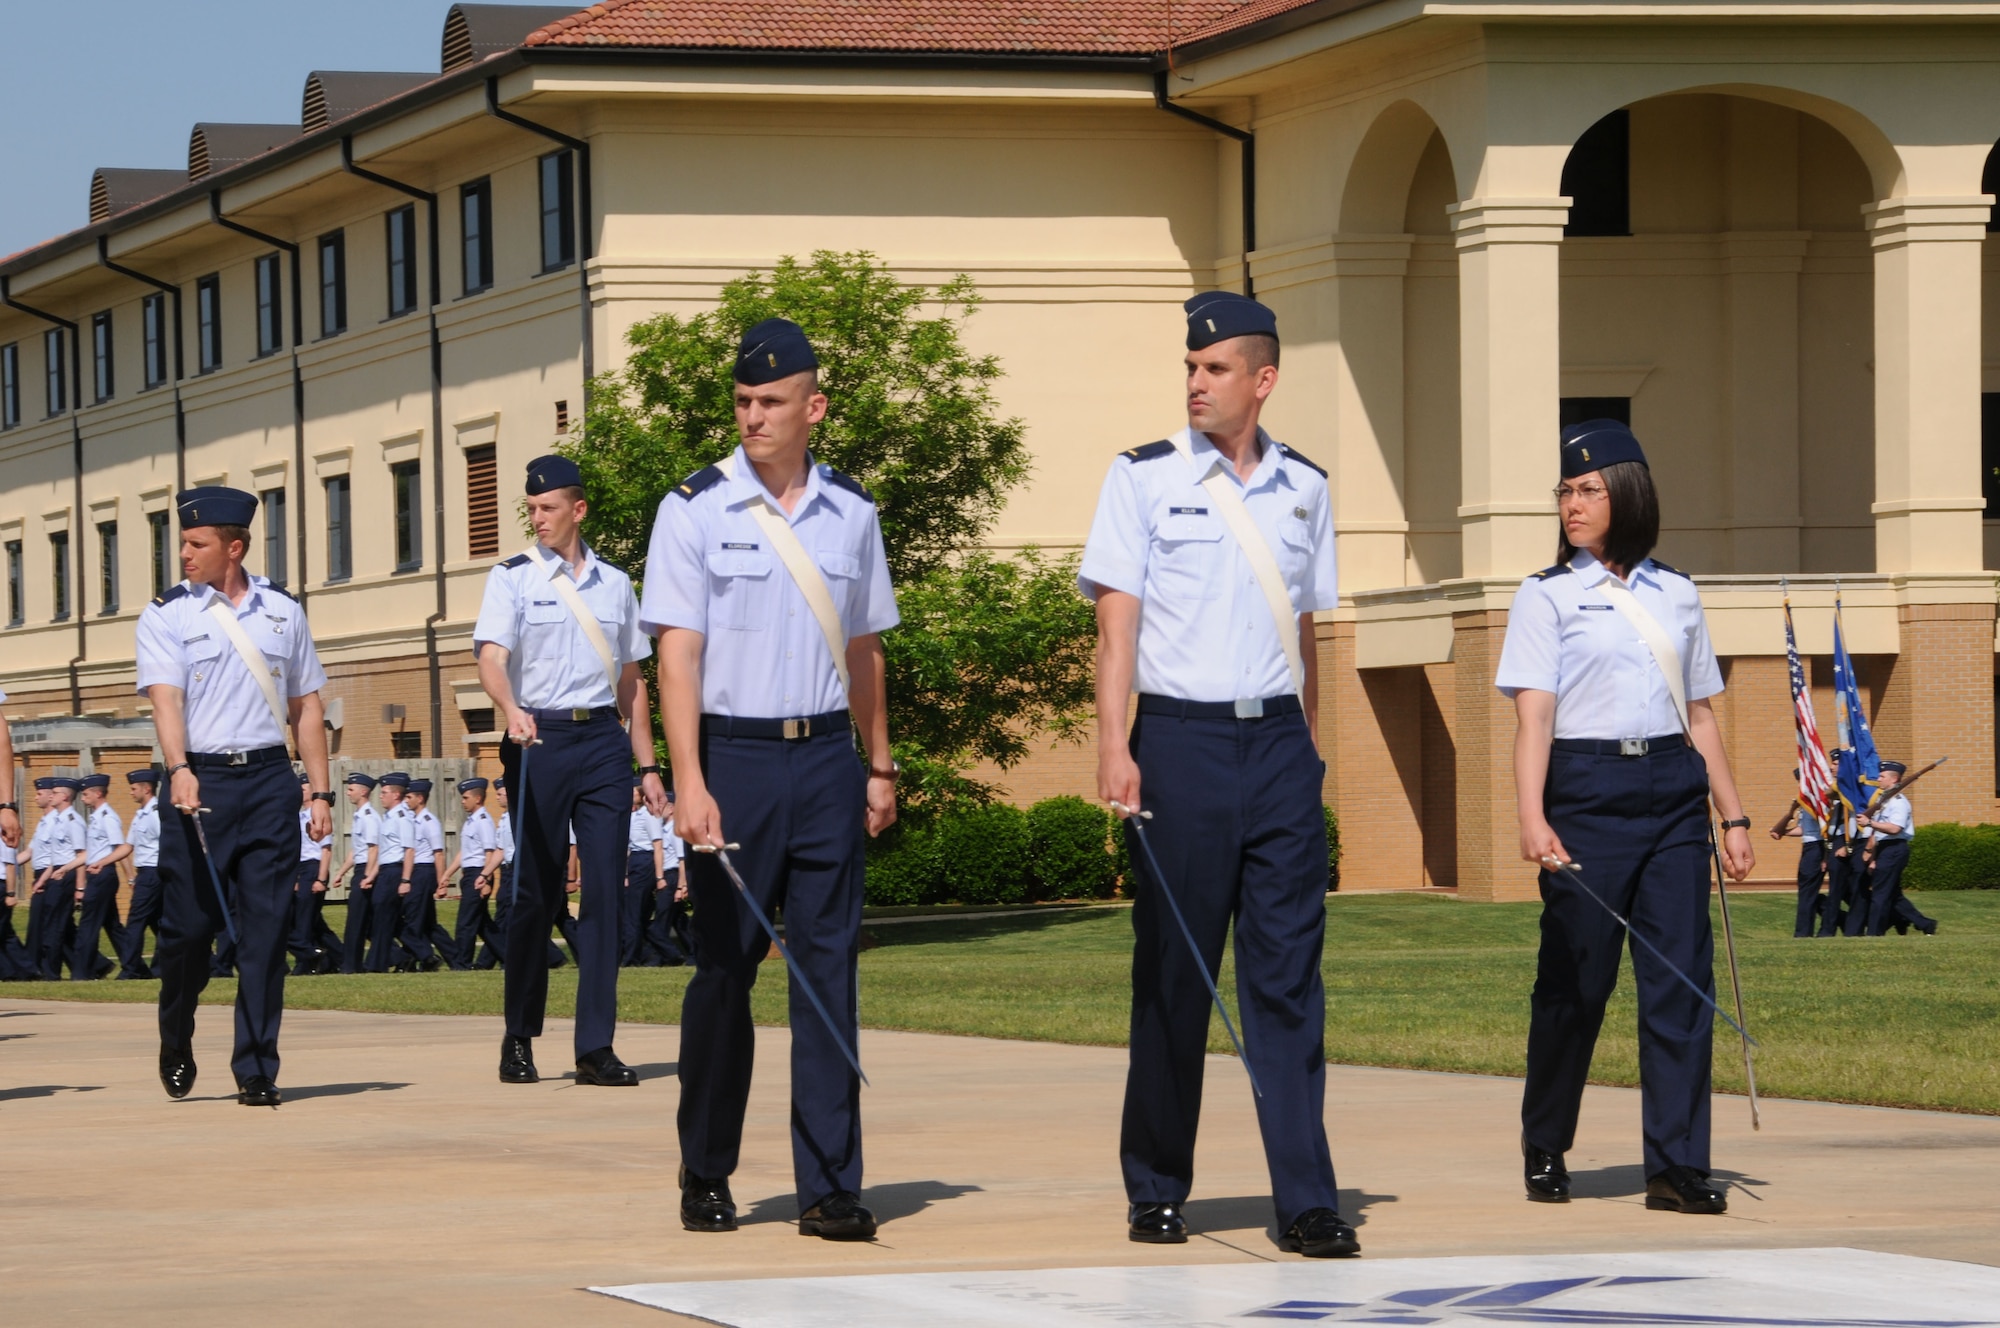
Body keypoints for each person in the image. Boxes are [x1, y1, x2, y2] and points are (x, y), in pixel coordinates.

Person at [1079, 292, 1351, 1258]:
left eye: (1216, 369)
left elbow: (1307, 631)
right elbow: (1116, 628)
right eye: (1190, 368)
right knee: (1175, 978)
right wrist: (1117, 746)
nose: (1195, 382)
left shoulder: (1306, 488)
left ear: (1262, 379)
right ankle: (1157, 1186)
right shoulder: (1142, 479)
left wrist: (1311, 753)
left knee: (1288, 983)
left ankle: (1307, 1199)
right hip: (1180, 746)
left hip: (1278, 748)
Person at [643, 317, 900, 1241]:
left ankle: (830, 1184)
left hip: (828, 757)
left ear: (813, 407)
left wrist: (879, 762)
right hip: (736, 761)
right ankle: (706, 1168)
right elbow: (678, 655)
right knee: (724, 968)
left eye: (771, 401)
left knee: (828, 972)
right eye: (743, 402)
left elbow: (865, 649)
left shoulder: (853, 514)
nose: (753, 416)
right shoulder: (694, 509)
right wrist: (690, 779)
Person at [1497, 418, 1755, 1216]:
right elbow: (1534, 720)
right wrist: (1531, 816)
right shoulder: (1547, 595)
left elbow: (1701, 715)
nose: (1572, 504)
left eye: (1589, 489)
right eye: (1566, 491)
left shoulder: (1677, 592)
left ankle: (1676, 1167)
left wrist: (1734, 816)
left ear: (1629, 494)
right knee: (1577, 981)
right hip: (1584, 791)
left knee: (1679, 983)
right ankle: (1546, 1138)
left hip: (1673, 796)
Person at [475, 454, 666, 1087]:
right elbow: (492, 658)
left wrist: (648, 764)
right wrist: (510, 709)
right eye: (530, 509)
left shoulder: (615, 585)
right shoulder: (512, 579)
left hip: (603, 745)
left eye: (548, 508)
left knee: (606, 893)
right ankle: (518, 1036)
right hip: (539, 741)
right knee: (536, 892)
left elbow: (632, 682)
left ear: (578, 510)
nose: (537, 519)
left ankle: (595, 1048)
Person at [140, 485, 333, 1107]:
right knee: (188, 933)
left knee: (267, 932)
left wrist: (321, 791)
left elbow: (306, 707)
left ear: (235, 546)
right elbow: (165, 699)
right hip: (202, 784)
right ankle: (176, 1033)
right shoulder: (168, 614)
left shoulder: (284, 611)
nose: (185, 554)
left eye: (197, 544)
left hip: (271, 782)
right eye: (184, 542)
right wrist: (178, 768)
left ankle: (256, 1067)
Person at [1860, 762, 1938, 937]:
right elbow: (1878, 834)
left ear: (1894, 779)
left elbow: (1895, 828)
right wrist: (1874, 857)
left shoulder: (1899, 802)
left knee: (1880, 893)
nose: (1878, 778)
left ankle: (1874, 933)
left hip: (1894, 848)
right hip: (1885, 849)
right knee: (1893, 894)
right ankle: (1925, 924)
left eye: (1882, 776)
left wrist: (1869, 822)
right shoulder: (1885, 800)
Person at [71, 773, 132, 980]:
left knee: (89, 924)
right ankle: (136, 966)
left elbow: (121, 848)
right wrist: (63, 868)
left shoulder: (108, 817)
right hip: (97, 873)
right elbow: (91, 852)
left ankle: (82, 972)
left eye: (86, 794)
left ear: (98, 793)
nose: (82, 798)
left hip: (103, 875)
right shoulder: (96, 817)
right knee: (112, 926)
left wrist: (102, 863)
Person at [30, 777, 88, 980]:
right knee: (49, 924)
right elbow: (55, 858)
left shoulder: (73, 821)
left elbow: (82, 855)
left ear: (64, 796)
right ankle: (50, 969)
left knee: (55, 926)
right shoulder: (58, 820)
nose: (50, 795)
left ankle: (51, 972)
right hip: (55, 874)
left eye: (54, 793)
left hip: (65, 876)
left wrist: (76, 883)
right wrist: (42, 880)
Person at [402, 779, 463, 970]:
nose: (406, 800)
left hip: (424, 872)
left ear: (420, 798)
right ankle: (457, 959)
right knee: (429, 924)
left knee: (413, 919)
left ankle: (415, 960)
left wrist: (441, 882)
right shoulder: (413, 820)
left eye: (409, 796)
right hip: (417, 871)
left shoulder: (429, 822)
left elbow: (438, 853)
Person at [288, 773, 339, 975]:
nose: (301, 792)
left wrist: (321, 878)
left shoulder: (317, 815)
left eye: (304, 788)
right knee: (312, 921)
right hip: (300, 867)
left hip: (313, 867)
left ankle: (306, 962)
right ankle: (335, 958)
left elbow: (325, 850)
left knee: (304, 919)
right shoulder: (300, 815)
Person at [116, 770, 164, 979]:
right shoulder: (140, 814)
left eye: (134, 788)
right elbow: (128, 846)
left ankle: (131, 968)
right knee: (161, 922)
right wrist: (100, 862)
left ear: (147, 789)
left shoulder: (155, 814)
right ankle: (161, 968)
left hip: (154, 872)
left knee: (136, 920)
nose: (130, 792)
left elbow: (168, 844)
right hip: (145, 872)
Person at [1771, 773, 1828, 939]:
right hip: (1809, 847)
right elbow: (1804, 829)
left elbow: (1826, 831)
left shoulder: (1819, 802)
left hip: (1817, 847)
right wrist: (1790, 816)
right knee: (1807, 892)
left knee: (1807, 892)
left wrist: (1825, 856)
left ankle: (1803, 933)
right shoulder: (1806, 803)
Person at [454, 778, 503, 968]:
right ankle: (511, 957)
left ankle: (462, 963)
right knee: (485, 926)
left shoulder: (483, 821)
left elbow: (489, 853)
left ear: (478, 798)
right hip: (470, 874)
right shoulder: (471, 821)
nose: (462, 801)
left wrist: (488, 880)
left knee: (466, 922)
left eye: (466, 797)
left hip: (479, 874)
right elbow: (465, 853)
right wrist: (447, 874)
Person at [369, 772, 415, 972]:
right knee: (380, 917)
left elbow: (409, 850)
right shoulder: (388, 817)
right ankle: (405, 956)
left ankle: (377, 964)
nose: (380, 796)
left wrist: (405, 879)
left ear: (396, 795)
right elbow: (384, 851)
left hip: (395, 871)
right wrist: (372, 875)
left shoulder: (402, 818)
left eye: (384, 792)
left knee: (383, 918)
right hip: (385, 871)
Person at [621, 776, 667, 966]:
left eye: (633, 790)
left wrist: (659, 876)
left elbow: (657, 845)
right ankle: (648, 953)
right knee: (636, 912)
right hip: (636, 860)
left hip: (645, 860)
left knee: (633, 912)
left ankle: (631, 958)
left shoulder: (649, 815)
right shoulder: (633, 816)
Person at [340, 773, 383, 973]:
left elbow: (374, 849)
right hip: (361, 867)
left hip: (367, 869)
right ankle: (398, 956)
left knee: (356, 921)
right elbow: (356, 850)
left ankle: (351, 965)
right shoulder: (359, 816)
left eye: (351, 789)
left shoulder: (369, 818)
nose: (348, 793)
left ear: (363, 792)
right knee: (366, 921)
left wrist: (368, 875)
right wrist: (341, 872)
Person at [645, 791, 691, 966]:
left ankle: (671, 955)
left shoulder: (675, 831)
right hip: (669, 877)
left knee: (660, 923)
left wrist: (681, 886)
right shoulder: (665, 829)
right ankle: (693, 953)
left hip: (672, 877)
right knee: (679, 921)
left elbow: (682, 860)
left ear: (671, 808)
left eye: (662, 805)